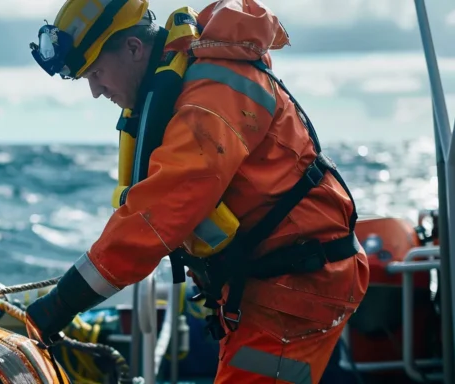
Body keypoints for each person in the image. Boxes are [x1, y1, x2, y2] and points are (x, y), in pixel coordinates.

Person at [23, 0, 369, 383]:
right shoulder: (189, 85)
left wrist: (60, 304)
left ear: (134, 49)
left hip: (297, 290)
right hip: (265, 285)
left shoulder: (210, 98)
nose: (95, 90)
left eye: (97, 73)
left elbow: (157, 216)